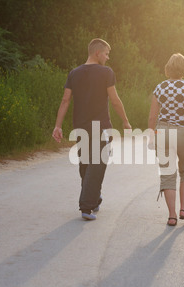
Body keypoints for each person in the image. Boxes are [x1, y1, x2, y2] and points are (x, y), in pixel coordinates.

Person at [52, 38, 131, 220]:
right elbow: (115, 100)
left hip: (80, 127)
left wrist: (57, 125)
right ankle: (86, 207)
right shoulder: (106, 72)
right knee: (97, 165)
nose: (108, 57)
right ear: (97, 53)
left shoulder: (74, 73)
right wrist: (125, 121)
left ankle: (93, 197)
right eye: (106, 53)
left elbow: (65, 101)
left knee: (86, 164)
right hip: (101, 127)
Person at [148, 53, 184, 226]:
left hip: (164, 131)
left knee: (167, 173)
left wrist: (151, 135)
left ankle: (172, 215)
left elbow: (152, 116)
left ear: (168, 68)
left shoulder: (159, 88)